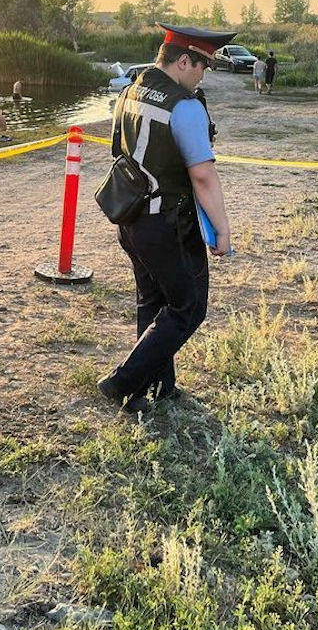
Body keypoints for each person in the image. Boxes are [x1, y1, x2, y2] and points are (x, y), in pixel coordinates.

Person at [97, 22, 235, 414]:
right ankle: (123, 381)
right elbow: (203, 175)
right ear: (184, 60)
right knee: (187, 307)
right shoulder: (184, 106)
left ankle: (158, 386)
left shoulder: (131, 89)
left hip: (131, 217)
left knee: (153, 300)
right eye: (202, 66)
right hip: (169, 223)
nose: (203, 75)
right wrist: (222, 229)